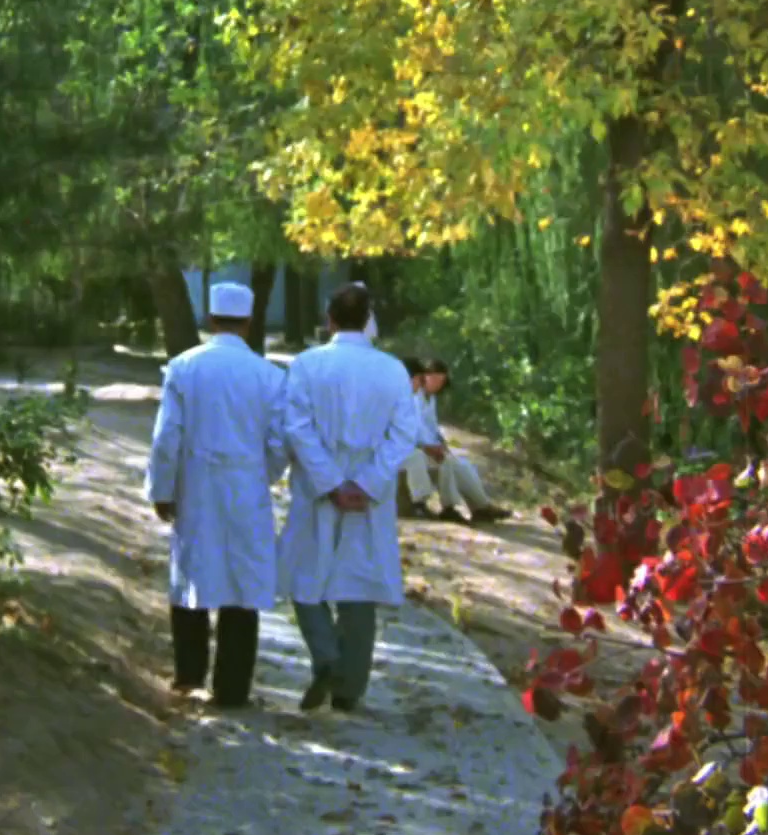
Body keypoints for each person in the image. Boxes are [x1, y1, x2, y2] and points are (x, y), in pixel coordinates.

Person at [277, 283, 421, 714]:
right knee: (358, 584)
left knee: (304, 576)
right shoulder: (392, 370)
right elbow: (404, 433)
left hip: (318, 484)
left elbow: (296, 427)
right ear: (368, 320)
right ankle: (349, 688)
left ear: (330, 320)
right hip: (368, 492)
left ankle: (326, 656)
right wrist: (368, 481)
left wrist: (330, 481)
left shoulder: (307, 365)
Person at [146, 282, 288, 709]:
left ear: (210, 319)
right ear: (248, 321)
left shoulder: (184, 368)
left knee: (192, 575)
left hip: (197, 485)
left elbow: (167, 437)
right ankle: (232, 688)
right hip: (246, 488)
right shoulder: (269, 376)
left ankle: (189, 675)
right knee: (242, 587)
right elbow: (279, 443)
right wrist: (260, 474)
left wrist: (162, 489)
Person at [397, 357, 513, 524]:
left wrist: (440, 444)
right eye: (433, 379)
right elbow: (411, 431)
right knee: (431, 459)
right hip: (406, 450)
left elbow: (432, 428)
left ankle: (477, 506)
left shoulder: (429, 399)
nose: (437, 384)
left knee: (460, 464)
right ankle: (425, 504)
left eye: (441, 381)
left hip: (422, 447)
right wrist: (427, 447)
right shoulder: (409, 398)